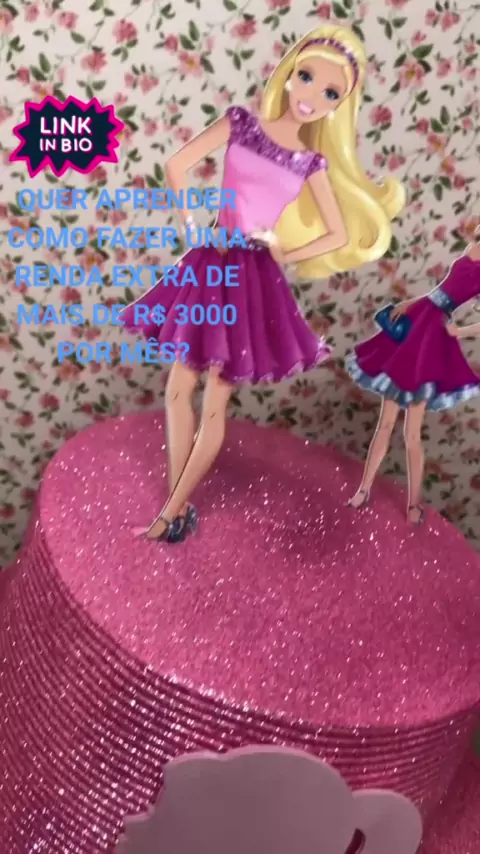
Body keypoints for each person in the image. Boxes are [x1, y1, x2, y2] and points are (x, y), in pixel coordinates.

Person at [122, 23, 405, 543]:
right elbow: (177, 164)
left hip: (253, 278)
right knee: (178, 388)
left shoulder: (310, 162)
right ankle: (175, 505)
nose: (312, 96)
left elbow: (338, 234)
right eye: (307, 77)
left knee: (215, 400)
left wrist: (283, 251)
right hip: (211, 261)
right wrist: (192, 226)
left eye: (331, 93)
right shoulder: (240, 123)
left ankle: (169, 514)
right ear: (288, 74)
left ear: (338, 107)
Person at [346, 234, 480, 524]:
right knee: (385, 423)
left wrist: (460, 331)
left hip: (432, 336)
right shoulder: (473, 245)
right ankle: (363, 489)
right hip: (420, 317)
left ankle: (413, 504)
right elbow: (442, 289)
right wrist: (409, 302)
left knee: (412, 433)